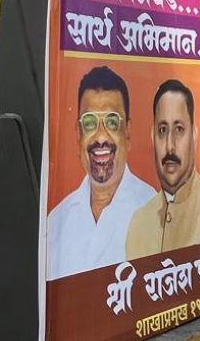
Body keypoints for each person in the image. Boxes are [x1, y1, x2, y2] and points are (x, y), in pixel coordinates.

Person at [48, 67, 156, 278]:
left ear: (128, 132)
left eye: (112, 122)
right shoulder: (56, 221)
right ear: (78, 134)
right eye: (89, 123)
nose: (100, 137)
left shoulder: (154, 210)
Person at [126, 80, 200, 257]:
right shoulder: (138, 223)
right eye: (162, 130)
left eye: (179, 129)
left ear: (194, 135)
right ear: (152, 138)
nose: (170, 146)